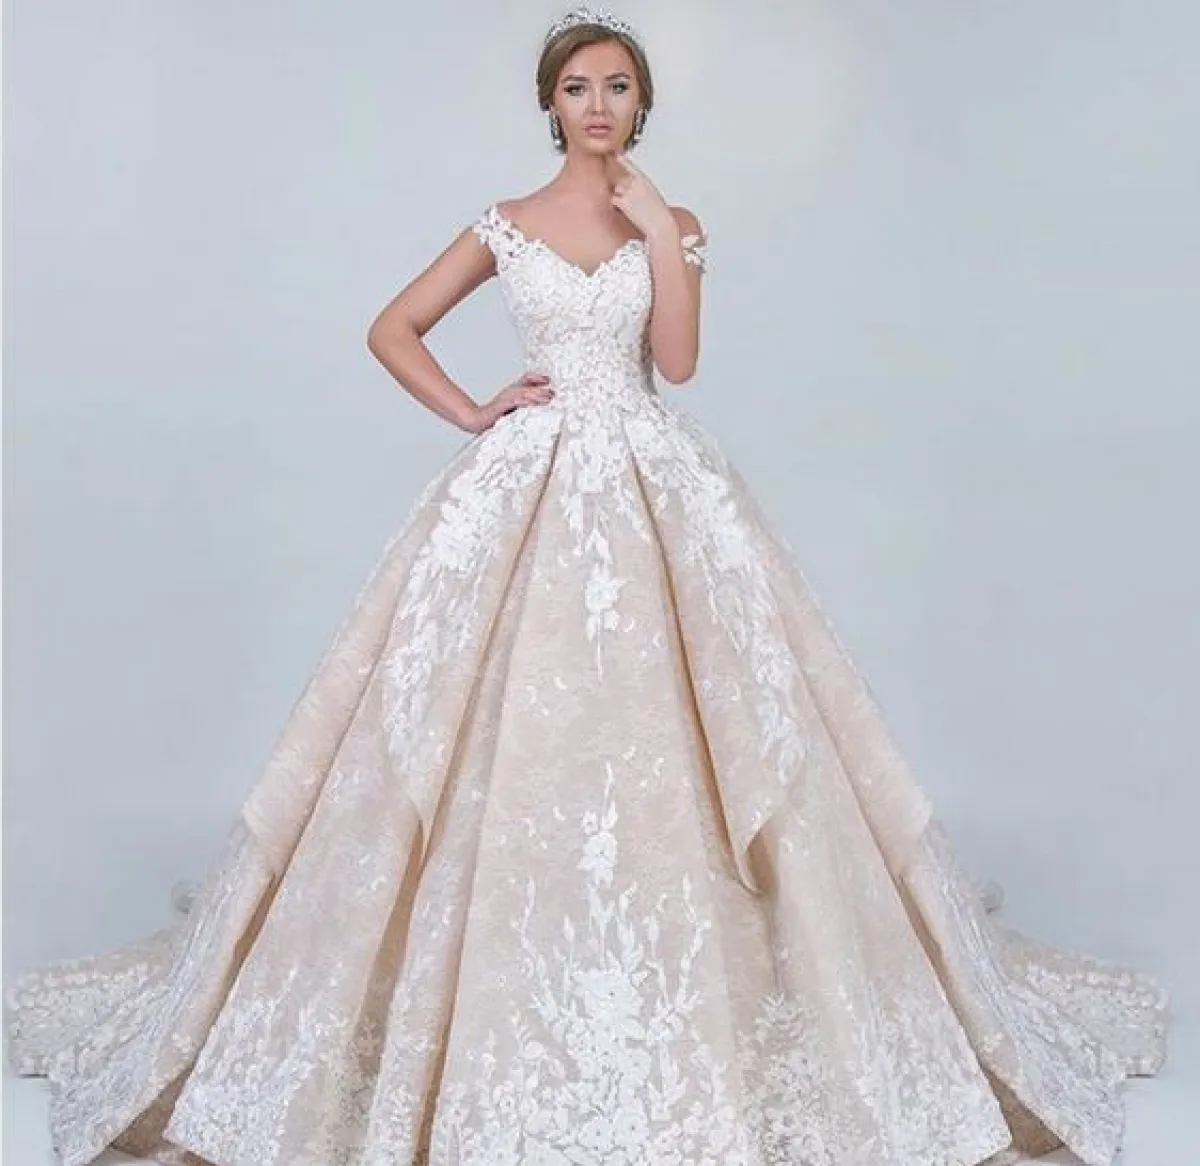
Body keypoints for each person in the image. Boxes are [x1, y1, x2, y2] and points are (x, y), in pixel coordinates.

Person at [5, 7, 1169, 1166]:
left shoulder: (675, 220)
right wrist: (476, 410)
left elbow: (679, 363)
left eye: (617, 86)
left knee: (706, 729)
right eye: (577, 88)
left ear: (641, 103)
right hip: (527, 479)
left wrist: (659, 229)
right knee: (469, 724)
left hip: (655, 484)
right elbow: (393, 327)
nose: (597, 105)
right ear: (550, 104)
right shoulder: (505, 223)